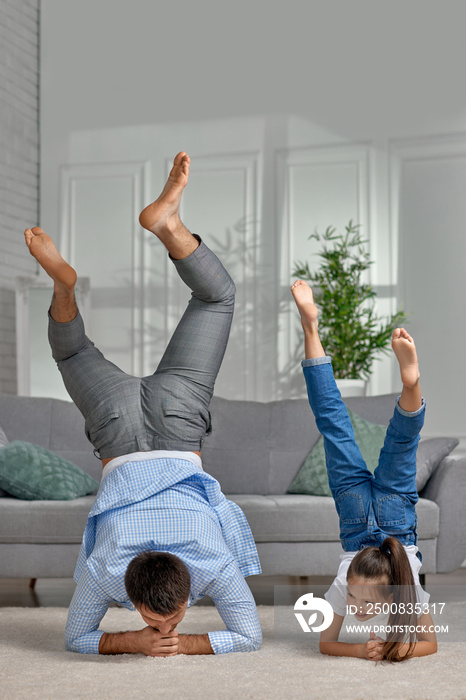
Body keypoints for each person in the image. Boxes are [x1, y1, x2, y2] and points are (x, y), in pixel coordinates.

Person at [24, 152, 262, 657]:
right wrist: (138, 639)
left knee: (217, 299)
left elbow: (248, 636)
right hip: (117, 427)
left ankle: (168, 224)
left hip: (177, 424)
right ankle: (66, 285)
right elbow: (249, 638)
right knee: (71, 351)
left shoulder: (204, 562)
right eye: (165, 619)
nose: (162, 626)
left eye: (158, 619)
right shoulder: (108, 569)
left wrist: (140, 639)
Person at [290, 279, 438, 662]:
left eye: (355, 598)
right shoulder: (407, 591)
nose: (355, 605)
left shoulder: (349, 582)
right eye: (359, 599)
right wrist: (393, 650)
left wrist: (359, 650)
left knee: (333, 423)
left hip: (355, 516)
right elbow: (430, 645)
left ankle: (310, 326)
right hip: (395, 517)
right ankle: (412, 383)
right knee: (388, 440)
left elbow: (326, 644)